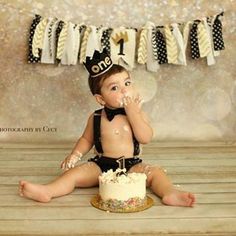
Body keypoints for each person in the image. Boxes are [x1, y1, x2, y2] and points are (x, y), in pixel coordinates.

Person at [19, 49, 195, 207]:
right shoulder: (96, 118)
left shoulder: (137, 113)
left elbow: (145, 137)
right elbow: (86, 140)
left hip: (132, 166)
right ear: (101, 99)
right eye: (114, 88)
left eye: (127, 83)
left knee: (156, 174)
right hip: (101, 166)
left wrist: (133, 113)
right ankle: (48, 191)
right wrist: (75, 154)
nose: (125, 91)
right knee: (73, 175)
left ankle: (170, 193)